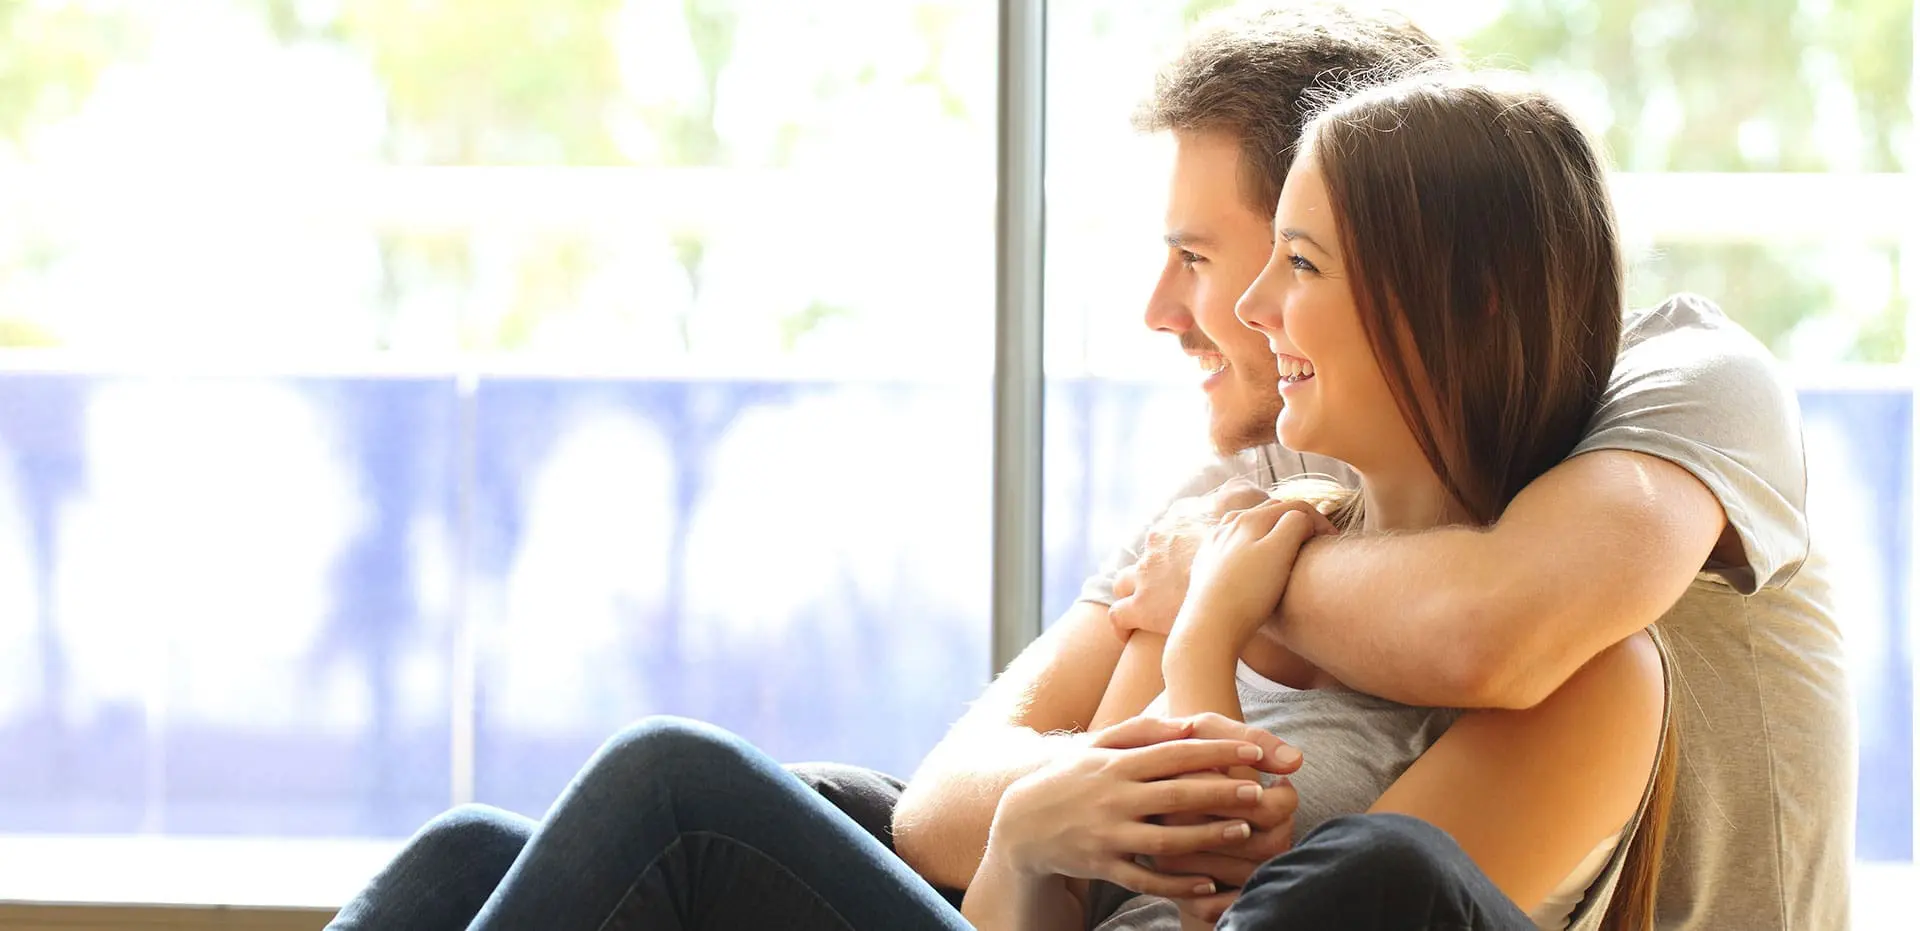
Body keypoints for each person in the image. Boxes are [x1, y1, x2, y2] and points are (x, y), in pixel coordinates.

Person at [329, 66, 1665, 931]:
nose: (1255, 308)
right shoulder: (1263, 528)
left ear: (1458, 305)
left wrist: (1205, 633)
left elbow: (1308, 913)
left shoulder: (1585, 681)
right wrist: (1033, 831)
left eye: (1300, 265)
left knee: (669, 788)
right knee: (464, 856)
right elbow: (1055, 881)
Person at [894, 7, 1849, 931]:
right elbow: (956, 821)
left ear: (1427, 259)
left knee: (1384, 869)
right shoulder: (1257, 499)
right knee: (828, 803)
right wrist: (1032, 829)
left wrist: (1220, 612)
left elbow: (1491, 636)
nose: (1179, 307)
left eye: (1210, 255)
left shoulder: (1681, 385)